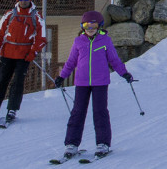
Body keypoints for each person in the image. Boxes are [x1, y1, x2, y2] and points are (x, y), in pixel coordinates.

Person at [54, 10, 134, 162]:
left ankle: (103, 143)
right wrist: (61, 76)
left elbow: (114, 60)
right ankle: (71, 143)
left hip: (100, 82)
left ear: (100, 26)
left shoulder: (105, 41)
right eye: (86, 25)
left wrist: (124, 73)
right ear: (82, 27)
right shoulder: (79, 41)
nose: (90, 29)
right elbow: (71, 62)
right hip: (82, 83)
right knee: (77, 112)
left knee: (100, 112)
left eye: (93, 25)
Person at [0, 0, 47, 125]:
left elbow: (42, 38)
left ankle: (12, 109)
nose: (23, 2)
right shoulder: (9, 14)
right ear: (17, 0)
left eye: (26, 0)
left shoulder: (36, 16)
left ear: (30, 0)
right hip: (7, 53)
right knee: (0, 80)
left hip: (24, 55)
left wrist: (33, 52)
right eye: (21, 0)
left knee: (17, 82)